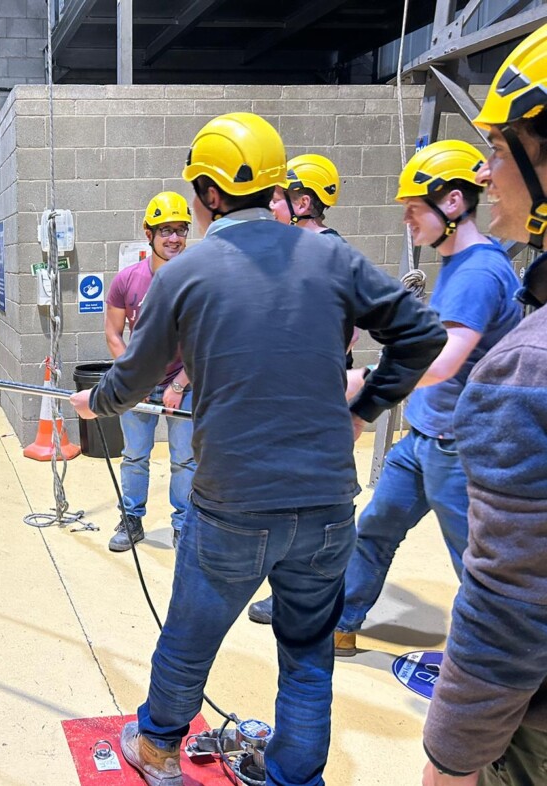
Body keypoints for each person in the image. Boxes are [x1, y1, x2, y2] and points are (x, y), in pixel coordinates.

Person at [69, 111, 447, 786]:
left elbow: (131, 380)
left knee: (190, 635)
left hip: (233, 505)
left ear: (211, 194)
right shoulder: (331, 255)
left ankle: (156, 750)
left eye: (195, 192)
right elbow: (419, 334)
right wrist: (363, 408)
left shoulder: (186, 273)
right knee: (307, 651)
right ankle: (296, 777)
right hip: (329, 504)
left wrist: (91, 403)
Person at [330, 140, 522, 657]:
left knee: (474, 561)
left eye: (415, 209)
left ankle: (492, 664)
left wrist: (364, 380)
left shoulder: (479, 272)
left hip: (459, 447)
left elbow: (438, 364)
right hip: (422, 440)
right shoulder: (460, 266)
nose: (408, 220)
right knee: (374, 529)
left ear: (453, 203)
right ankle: (342, 624)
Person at [422, 23, 547, 786]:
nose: (485, 168)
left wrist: (451, 759)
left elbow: (509, 603)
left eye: (498, 149)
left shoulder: (527, 365)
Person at [250, 153, 352, 623]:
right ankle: (295, 592)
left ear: (302, 201)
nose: (272, 204)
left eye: (279, 196)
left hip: (313, 397)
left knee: (310, 496)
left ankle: (304, 598)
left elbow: (347, 330)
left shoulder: (328, 252)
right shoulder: (296, 249)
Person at [104, 191, 196, 552]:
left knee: (184, 459)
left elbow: (202, 340)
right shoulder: (127, 280)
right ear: (148, 233)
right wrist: (134, 379)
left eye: (181, 230)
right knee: (134, 456)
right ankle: (131, 519)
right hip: (137, 385)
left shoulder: (196, 280)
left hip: (184, 384)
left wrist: (179, 382)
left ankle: (183, 524)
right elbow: (113, 334)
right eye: (166, 230)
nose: (174, 238)